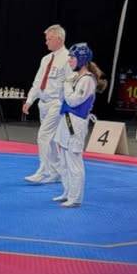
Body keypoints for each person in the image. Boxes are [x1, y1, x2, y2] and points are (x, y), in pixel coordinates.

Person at [53, 43, 107, 208]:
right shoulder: (75, 77)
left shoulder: (87, 80)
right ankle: (67, 191)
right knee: (63, 160)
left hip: (75, 123)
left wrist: (66, 85)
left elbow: (73, 100)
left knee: (73, 160)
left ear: (82, 59)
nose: (69, 60)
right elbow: (63, 98)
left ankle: (75, 198)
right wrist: (66, 85)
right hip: (65, 119)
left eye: (72, 57)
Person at [22, 24, 71, 183]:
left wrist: (66, 104)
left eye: (49, 39)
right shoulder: (46, 59)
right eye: (46, 39)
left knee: (43, 136)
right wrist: (29, 100)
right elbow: (37, 82)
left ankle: (44, 170)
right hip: (43, 103)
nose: (46, 42)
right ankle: (57, 172)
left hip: (57, 103)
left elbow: (70, 83)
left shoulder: (68, 58)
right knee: (50, 139)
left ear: (59, 39)